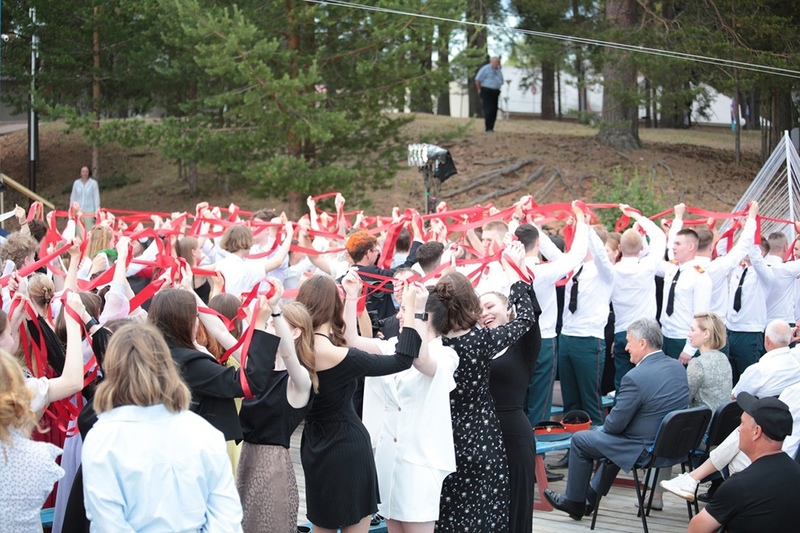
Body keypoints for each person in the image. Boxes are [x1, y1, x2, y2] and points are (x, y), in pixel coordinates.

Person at [81, 323, 243, 531]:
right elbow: (226, 517)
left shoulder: (102, 438)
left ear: (113, 369)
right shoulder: (205, 432)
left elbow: (108, 523)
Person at [296, 275, 423, 533]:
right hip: (347, 445)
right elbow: (402, 360)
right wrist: (411, 310)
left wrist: (352, 297)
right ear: (332, 307)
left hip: (313, 443)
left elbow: (347, 336)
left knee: (322, 525)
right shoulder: (340, 356)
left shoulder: (295, 347)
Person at [429, 242, 535, 533]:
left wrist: (447, 273)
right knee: (486, 517)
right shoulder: (482, 342)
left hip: (445, 439)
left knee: (448, 516)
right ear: (472, 306)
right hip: (484, 438)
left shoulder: (435, 344)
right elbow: (526, 318)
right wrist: (515, 275)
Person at [345, 269, 457, 533]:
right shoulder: (392, 345)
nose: (397, 315)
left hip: (420, 462)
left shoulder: (446, 356)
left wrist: (414, 310)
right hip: (388, 457)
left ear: (423, 317)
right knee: (392, 528)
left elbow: (420, 360)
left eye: (402, 312)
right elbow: (352, 341)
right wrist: (352, 298)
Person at [544, 318, 689, 521]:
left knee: (581, 440)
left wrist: (600, 431)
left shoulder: (635, 377)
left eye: (629, 342)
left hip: (644, 449)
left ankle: (574, 503)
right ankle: (589, 499)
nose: (626, 347)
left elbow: (614, 425)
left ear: (642, 343)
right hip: (673, 447)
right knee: (610, 441)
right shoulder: (677, 367)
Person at [147, 286, 280, 442]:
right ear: (184, 321)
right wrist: (259, 325)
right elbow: (249, 382)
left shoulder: (151, 353)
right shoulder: (189, 363)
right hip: (195, 448)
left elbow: (220, 332)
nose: (198, 322)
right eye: (196, 316)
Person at [237, 301, 317, 533]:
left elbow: (288, 353)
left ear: (295, 332)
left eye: (275, 324)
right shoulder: (258, 373)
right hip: (246, 462)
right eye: (270, 324)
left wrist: (275, 310)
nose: (270, 327)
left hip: (272, 471)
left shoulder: (299, 379)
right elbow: (222, 332)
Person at [686, 393, 800, 533]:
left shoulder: (740, 485)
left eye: (742, 423)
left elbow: (697, 528)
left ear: (756, 432)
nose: (739, 429)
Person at [482, 289, 541, 533]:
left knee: (516, 502)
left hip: (513, 434)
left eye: (489, 306)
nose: (484, 313)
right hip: (481, 434)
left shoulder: (522, 344)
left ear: (509, 310)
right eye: (480, 310)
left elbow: (530, 306)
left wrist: (511, 267)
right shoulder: (476, 344)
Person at [658, 224, 712, 363]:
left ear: (691, 247)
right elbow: (652, 260)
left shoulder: (699, 276)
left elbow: (701, 315)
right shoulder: (673, 269)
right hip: (665, 335)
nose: (673, 247)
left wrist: (690, 348)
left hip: (683, 339)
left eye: (677, 244)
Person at [686, 313, 733, 411]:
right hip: (720, 422)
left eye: (692, 330)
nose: (689, 334)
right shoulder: (723, 358)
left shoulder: (697, 363)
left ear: (706, 334)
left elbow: (684, 398)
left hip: (702, 423)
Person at [474, 56, 503, 132]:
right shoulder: (485, 69)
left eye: (497, 62)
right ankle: (488, 127)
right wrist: (479, 90)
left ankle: (491, 127)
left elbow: (501, 80)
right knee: (488, 109)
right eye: (495, 62)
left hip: (495, 91)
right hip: (487, 91)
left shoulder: (498, 71)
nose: (496, 63)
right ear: (491, 62)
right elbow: (477, 80)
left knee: (494, 109)